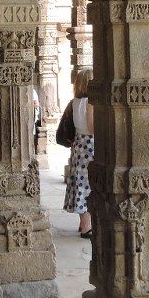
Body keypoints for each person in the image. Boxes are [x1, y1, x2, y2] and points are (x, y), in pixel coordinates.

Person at [63, 67, 94, 240]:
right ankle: (87, 227)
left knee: (80, 182)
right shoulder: (90, 102)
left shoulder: (75, 102)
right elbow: (91, 127)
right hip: (89, 145)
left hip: (78, 145)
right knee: (87, 184)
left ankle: (83, 223)